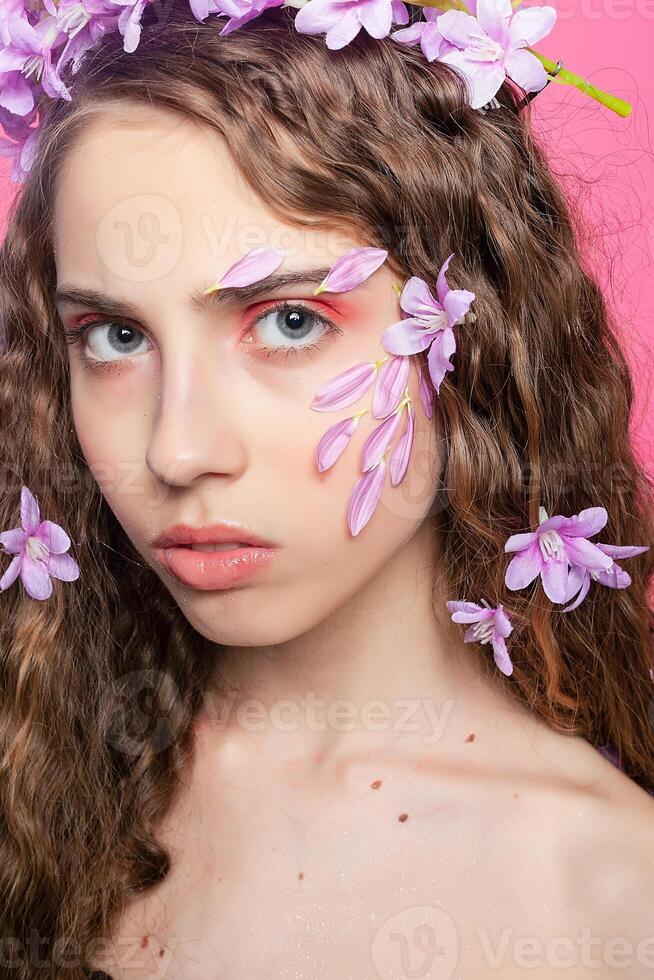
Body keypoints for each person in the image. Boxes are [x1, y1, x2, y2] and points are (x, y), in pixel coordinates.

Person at [0, 2, 653, 978]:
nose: (178, 450)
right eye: (116, 336)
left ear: (469, 333)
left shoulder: (611, 894)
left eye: (291, 321)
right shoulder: (32, 768)